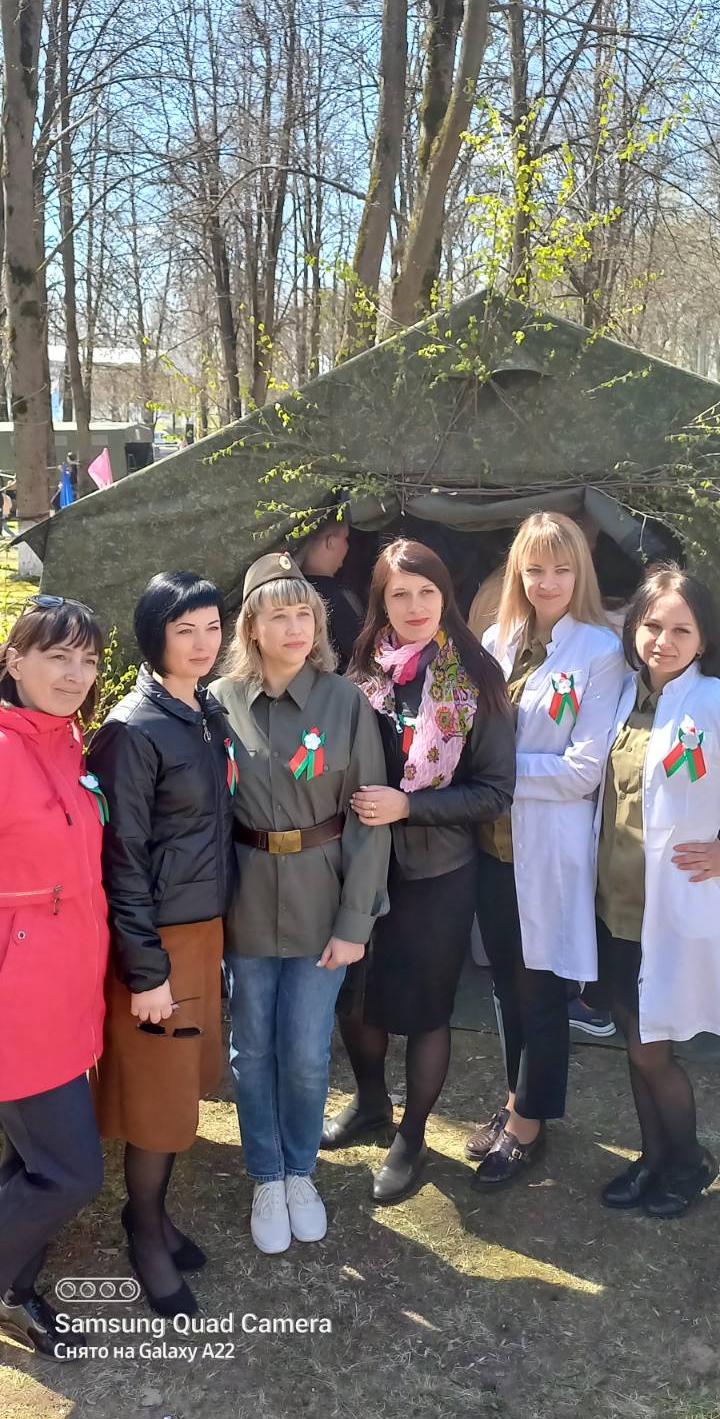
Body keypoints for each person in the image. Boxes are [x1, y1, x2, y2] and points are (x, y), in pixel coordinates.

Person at [322, 538, 516, 1205]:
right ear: (380, 602)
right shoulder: (362, 671)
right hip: (361, 865)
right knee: (356, 995)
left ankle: (413, 1136)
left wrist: (410, 806)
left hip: (438, 871)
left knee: (427, 1009)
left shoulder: (477, 676)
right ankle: (371, 1102)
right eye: (398, 594)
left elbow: (494, 792)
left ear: (445, 596)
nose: (414, 606)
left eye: (426, 592)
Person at [211, 550, 390, 1255]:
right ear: (251, 628)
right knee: (252, 1047)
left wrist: (356, 921)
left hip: (323, 898)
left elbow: (368, 819)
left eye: (304, 614)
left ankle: (299, 1171)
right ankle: (266, 1175)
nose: (294, 628)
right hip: (246, 898)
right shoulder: (219, 702)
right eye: (278, 615)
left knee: (308, 1052)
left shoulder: (345, 702)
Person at [88, 572, 235, 1315]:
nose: (203, 644)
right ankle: (144, 1231)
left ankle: (153, 1216)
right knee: (156, 1099)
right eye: (186, 631)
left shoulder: (205, 711)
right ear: (155, 638)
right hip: (157, 942)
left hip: (202, 931)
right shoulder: (133, 728)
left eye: (212, 627)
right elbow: (121, 859)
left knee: (181, 1089)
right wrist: (146, 970)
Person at [469, 512, 625, 1186]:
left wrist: (495, 776)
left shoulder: (600, 651)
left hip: (547, 849)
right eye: (535, 569)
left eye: (562, 569)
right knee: (505, 983)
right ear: (518, 573)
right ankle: (515, 1102)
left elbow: (582, 770)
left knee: (541, 988)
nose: (548, 582)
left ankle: (529, 1125)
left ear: (580, 572)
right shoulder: (496, 639)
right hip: (491, 846)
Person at [592, 566, 720, 1216]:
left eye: (681, 630)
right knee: (633, 1037)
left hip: (667, 908)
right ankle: (653, 1158)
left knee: (651, 1047)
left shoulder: (713, 704)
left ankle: (690, 1162)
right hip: (612, 905)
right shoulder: (622, 696)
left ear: (704, 639)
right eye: (652, 625)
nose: (663, 641)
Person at [0, 596, 108, 1357]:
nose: (75, 674)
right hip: (17, 996)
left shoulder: (68, 741)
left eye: (88, 660)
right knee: (70, 1172)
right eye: (56, 656)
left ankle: (13, 1291)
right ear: (14, 659)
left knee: (29, 1158)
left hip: (70, 983)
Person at [296, 513, 364, 670]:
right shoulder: (339, 598)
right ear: (330, 542)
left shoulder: (289, 594)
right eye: (345, 539)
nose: (348, 546)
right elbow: (359, 653)